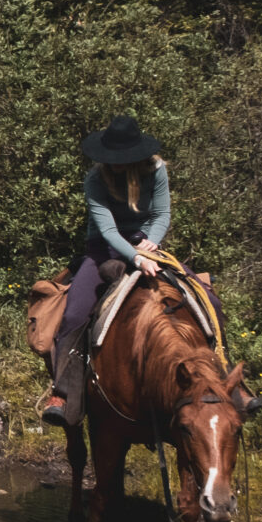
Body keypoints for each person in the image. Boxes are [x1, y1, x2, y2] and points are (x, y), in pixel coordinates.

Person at [41, 115, 172, 429]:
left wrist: (152, 243)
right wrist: (137, 259)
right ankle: (62, 393)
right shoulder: (95, 180)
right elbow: (109, 231)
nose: (114, 164)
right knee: (74, 314)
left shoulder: (156, 171)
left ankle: (225, 382)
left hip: (146, 244)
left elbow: (162, 213)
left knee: (203, 294)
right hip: (104, 248)